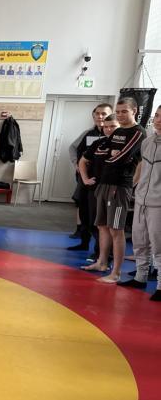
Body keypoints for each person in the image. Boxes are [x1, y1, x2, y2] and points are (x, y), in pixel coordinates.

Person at [81, 99, 146, 283]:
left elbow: (124, 157)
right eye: (118, 111)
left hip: (119, 186)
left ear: (134, 111)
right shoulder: (118, 131)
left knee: (116, 229)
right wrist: (111, 155)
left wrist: (112, 157)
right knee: (102, 226)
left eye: (124, 111)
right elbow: (102, 150)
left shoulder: (138, 132)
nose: (120, 115)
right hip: (104, 183)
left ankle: (116, 272)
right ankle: (101, 262)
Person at [118, 104, 161, 301]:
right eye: (157, 116)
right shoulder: (147, 142)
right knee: (139, 240)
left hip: (158, 203)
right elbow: (142, 167)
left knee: (158, 245)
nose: (159, 120)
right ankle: (140, 277)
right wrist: (135, 188)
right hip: (142, 199)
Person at [67, 103, 114, 250]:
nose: (100, 117)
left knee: (98, 217)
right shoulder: (89, 134)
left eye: (104, 114)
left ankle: (100, 251)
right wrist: (77, 165)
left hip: (104, 183)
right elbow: (76, 150)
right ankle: (84, 243)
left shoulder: (117, 137)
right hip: (86, 179)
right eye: (97, 114)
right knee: (84, 211)